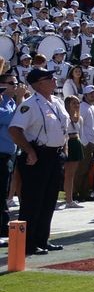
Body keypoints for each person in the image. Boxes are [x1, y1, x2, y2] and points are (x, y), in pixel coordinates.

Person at [8, 67, 70, 255]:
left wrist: (63, 149)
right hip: (38, 156)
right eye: (49, 78)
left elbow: (62, 128)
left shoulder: (58, 102)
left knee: (49, 200)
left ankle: (43, 239)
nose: (54, 80)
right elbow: (14, 130)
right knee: (33, 200)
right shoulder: (30, 104)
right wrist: (29, 151)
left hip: (55, 156)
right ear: (39, 83)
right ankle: (29, 243)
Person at [0, 73, 21, 246]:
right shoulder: (4, 103)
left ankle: (2, 226)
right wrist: (21, 100)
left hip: (9, 153)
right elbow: (13, 119)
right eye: (11, 83)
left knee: (4, 192)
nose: (15, 86)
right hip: (1, 154)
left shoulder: (11, 103)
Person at [59, 95, 84, 209]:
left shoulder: (80, 118)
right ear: (68, 104)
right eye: (74, 103)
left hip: (76, 143)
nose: (76, 105)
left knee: (71, 174)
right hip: (67, 143)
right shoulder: (64, 117)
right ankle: (67, 199)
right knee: (64, 174)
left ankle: (69, 199)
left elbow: (81, 133)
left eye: (78, 103)